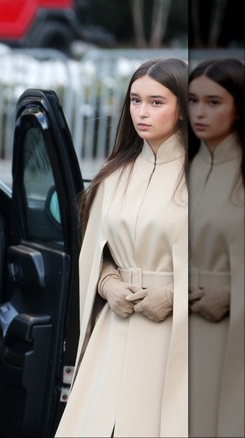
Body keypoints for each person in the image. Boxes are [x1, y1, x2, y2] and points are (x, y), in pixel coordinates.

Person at [54, 57, 188, 437]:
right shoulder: (113, 175)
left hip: (176, 341)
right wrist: (107, 283)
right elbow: (97, 252)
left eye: (156, 102)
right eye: (135, 100)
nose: (141, 112)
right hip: (114, 330)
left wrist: (174, 295)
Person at [187, 57, 244, 437]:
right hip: (176, 324)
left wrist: (229, 294)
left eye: (214, 101)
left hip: (230, 331)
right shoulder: (179, 166)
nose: (199, 112)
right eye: (192, 100)